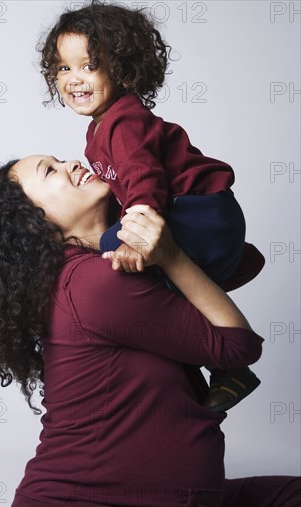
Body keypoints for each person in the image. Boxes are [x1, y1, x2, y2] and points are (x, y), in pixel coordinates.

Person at [0, 156, 300, 507]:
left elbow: (244, 261)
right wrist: (173, 257)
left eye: (61, 159)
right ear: (35, 219)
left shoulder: (113, 266)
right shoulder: (90, 283)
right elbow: (236, 346)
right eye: (49, 171)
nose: (70, 164)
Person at [38, 0, 266, 413]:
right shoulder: (99, 130)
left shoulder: (124, 122)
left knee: (113, 245)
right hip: (205, 215)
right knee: (124, 251)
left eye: (89, 66)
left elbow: (144, 181)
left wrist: (133, 239)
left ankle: (227, 339)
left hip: (201, 210)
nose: (74, 79)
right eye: (63, 68)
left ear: (124, 71)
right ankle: (228, 271)